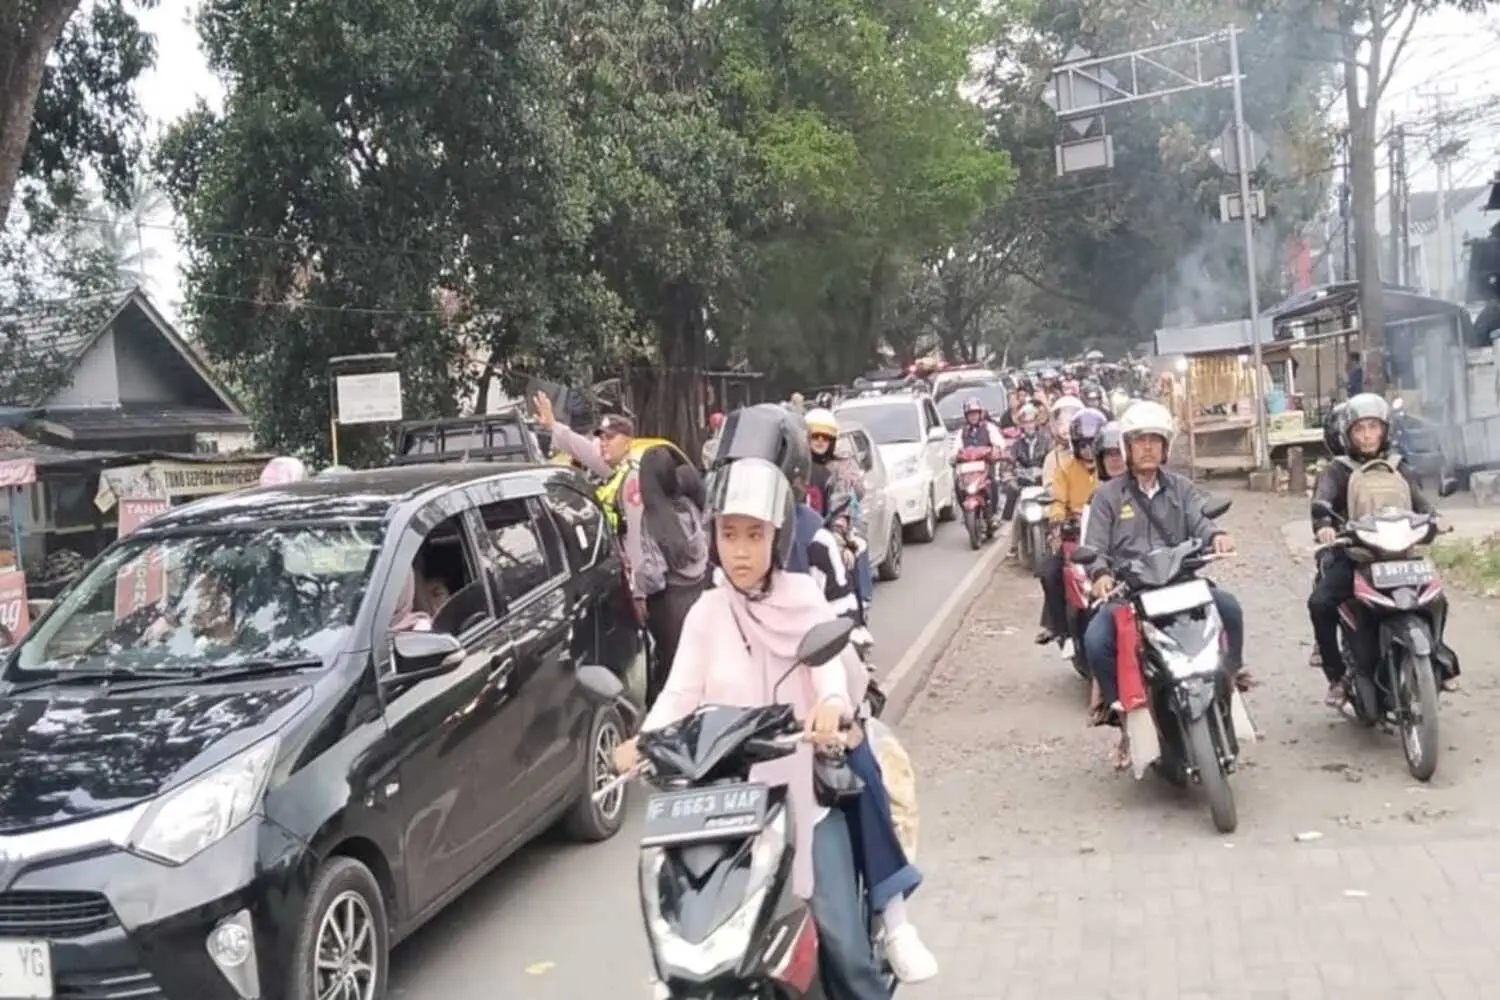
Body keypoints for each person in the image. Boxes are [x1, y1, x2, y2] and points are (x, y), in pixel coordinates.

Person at [612, 458, 922, 997]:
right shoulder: (707, 613)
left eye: (754, 535)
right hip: (723, 804)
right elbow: (681, 692)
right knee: (685, 943)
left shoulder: (802, 596)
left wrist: (828, 703)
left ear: (776, 538)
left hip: (801, 793)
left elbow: (825, 665)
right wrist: (644, 740)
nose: (739, 550)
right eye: (729, 534)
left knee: (844, 946)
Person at [1080, 401, 1243, 766]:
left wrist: (1216, 535)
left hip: (1180, 583)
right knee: (1096, 640)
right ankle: (1124, 717)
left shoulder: (1182, 489)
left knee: (1229, 607)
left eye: (1156, 440)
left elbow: (1202, 521)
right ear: (1127, 447)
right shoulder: (1107, 497)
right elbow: (1095, 547)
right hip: (1131, 592)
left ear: (1165, 447)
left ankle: (1230, 675)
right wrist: (1101, 575)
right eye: (1141, 441)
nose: (1149, 447)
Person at [1307, 393, 1456, 704]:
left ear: (1385, 430)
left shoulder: (1399, 466)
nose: (1367, 436)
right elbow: (1322, 502)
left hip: (1400, 552)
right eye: (1360, 430)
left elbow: (1420, 503)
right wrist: (1324, 525)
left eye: (1373, 428)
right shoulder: (1337, 469)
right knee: (1321, 603)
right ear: (1348, 434)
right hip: (1355, 553)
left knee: (1436, 598)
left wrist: (1436, 519)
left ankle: (1436, 655)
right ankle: (1337, 676)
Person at [534, 393, 649, 621]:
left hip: (633, 581)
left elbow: (636, 540)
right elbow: (583, 449)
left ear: (627, 442)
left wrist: (639, 593)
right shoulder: (610, 471)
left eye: (610, 438)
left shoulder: (631, 479)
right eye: (602, 438)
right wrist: (552, 425)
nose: (603, 443)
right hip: (615, 576)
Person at [637, 446, 710, 703]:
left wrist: (637, 584)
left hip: (671, 608)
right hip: (700, 592)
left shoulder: (653, 519)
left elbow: (654, 575)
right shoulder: (692, 505)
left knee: (674, 672)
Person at [1035, 408, 1105, 646]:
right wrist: (1057, 516)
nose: (1088, 450)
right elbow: (1057, 500)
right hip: (1073, 533)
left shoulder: (1111, 466)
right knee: (1049, 572)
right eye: (1083, 445)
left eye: (1092, 444)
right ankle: (1060, 629)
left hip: (1106, 533)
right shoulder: (1064, 468)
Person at [804, 408, 871, 605]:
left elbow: (845, 501)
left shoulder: (842, 463)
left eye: (825, 437)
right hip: (804, 528)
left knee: (855, 549)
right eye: (815, 436)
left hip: (839, 520)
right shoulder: (796, 465)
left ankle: (860, 605)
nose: (820, 441)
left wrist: (839, 538)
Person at [954, 395, 1005, 524]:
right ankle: (965, 514)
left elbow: (1000, 443)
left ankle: (993, 514)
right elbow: (956, 449)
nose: (973, 417)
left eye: (975, 414)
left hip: (986, 468)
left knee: (993, 483)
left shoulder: (988, 428)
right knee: (958, 485)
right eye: (970, 414)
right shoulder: (962, 432)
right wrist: (954, 457)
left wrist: (996, 450)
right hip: (968, 470)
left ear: (980, 414)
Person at [1041, 395, 1083, 485]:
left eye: (1070, 421)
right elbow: (1049, 485)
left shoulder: (1091, 453)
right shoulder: (1053, 457)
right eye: (1060, 423)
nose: (1065, 427)